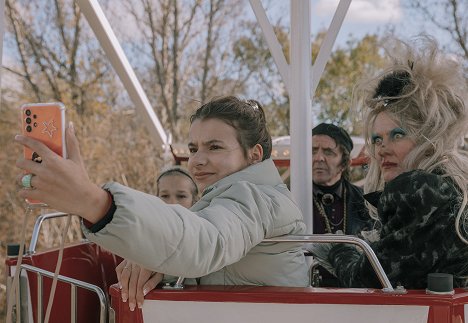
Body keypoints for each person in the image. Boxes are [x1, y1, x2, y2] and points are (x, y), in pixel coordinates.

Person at [15, 96, 309, 310]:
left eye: (214, 147)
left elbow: (208, 241)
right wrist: (160, 264)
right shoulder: (233, 197)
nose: (198, 159)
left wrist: (96, 203)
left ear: (254, 155)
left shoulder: (257, 198)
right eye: (193, 148)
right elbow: (220, 253)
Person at [312, 35, 468, 289]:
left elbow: (368, 277)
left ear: (426, 137)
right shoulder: (450, 186)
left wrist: (339, 248)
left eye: (397, 135)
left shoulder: (420, 189)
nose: (382, 149)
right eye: (377, 139)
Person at [312, 123, 372, 235]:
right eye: (313, 151)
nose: (318, 158)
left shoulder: (365, 202)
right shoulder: (292, 198)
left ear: (344, 163)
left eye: (328, 152)